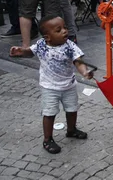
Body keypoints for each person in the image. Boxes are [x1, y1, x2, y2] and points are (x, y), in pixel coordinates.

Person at [9, 15, 93, 154]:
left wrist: (84, 72)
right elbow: (30, 51)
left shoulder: (70, 46)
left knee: (72, 109)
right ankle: (47, 139)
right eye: (59, 30)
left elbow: (78, 61)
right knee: (49, 113)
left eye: (65, 27)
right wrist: (21, 51)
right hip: (49, 87)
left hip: (69, 85)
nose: (65, 31)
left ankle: (71, 130)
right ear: (48, 37)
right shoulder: (41, 45)